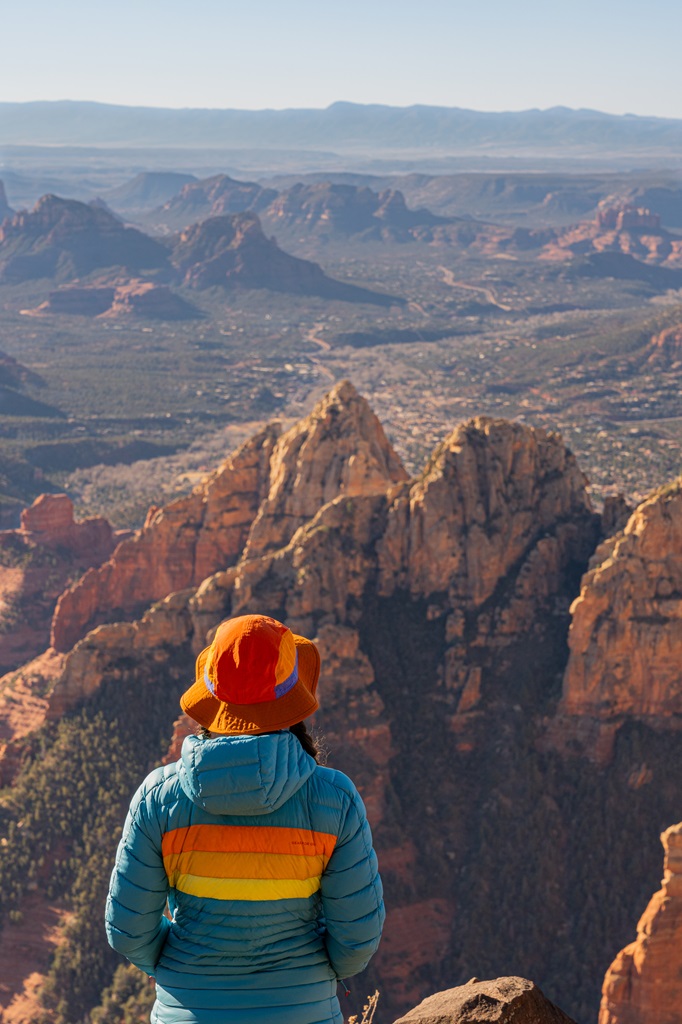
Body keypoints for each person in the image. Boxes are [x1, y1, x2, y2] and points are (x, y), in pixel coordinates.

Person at [105, 613, 385, 1024]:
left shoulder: (158, 798)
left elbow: (127, 930)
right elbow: (358, 938)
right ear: (291, 703)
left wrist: (181, 966)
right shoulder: (334, 799)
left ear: (212, 701)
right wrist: (308, 976)